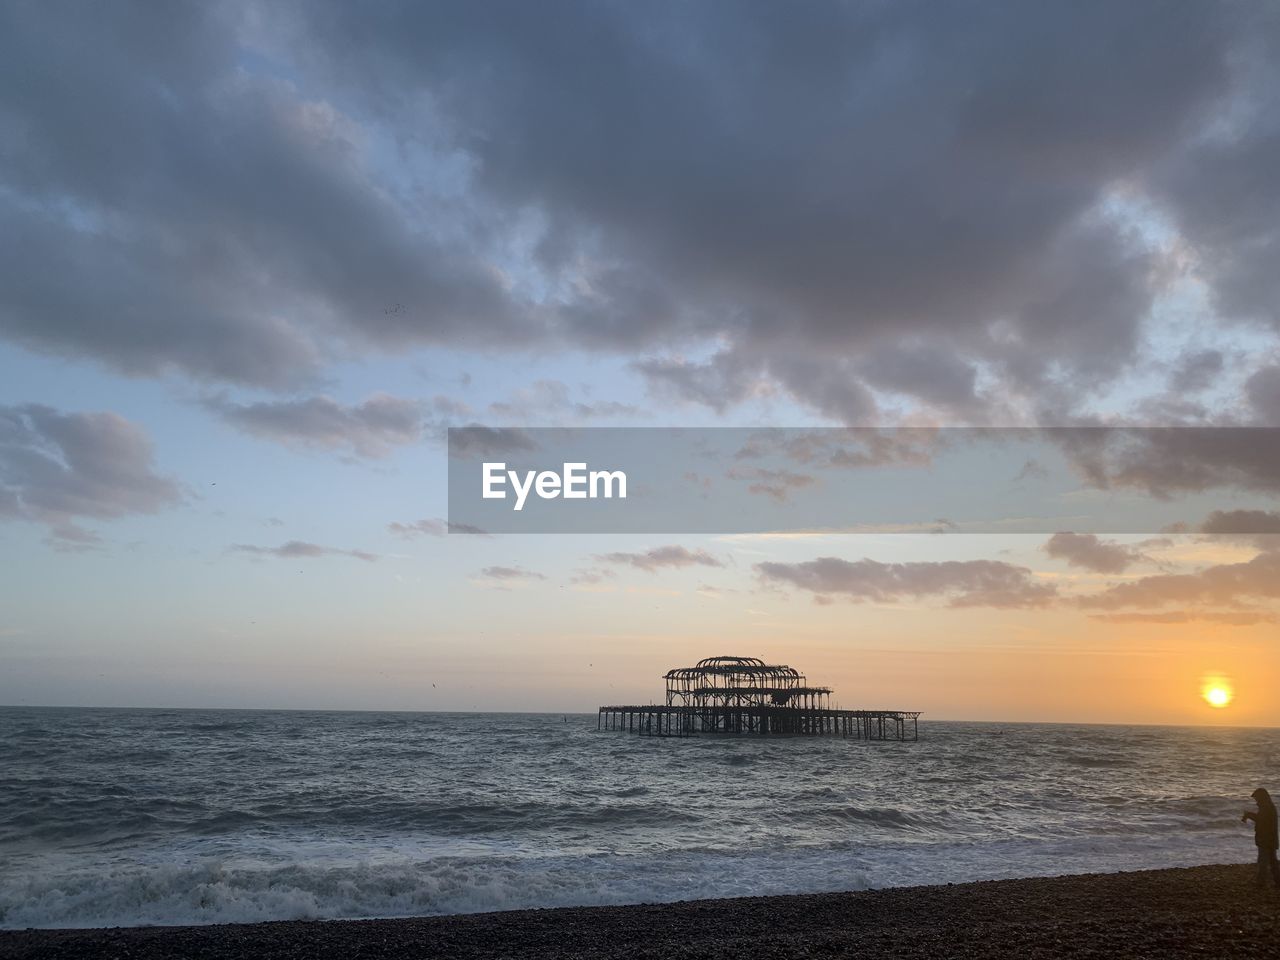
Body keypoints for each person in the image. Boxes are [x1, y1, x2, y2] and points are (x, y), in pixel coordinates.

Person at [1241, 787, 1280, 888]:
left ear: (1261, 797)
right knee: (1273, 861)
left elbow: (1260, 820)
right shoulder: (1268, 806)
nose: (1256, 801)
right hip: (1271, 839)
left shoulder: (1266, 807)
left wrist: (1248, 815)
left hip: (1265, 839)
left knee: (1263, 861)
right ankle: (1277, 881)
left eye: (1256, 798)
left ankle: (1261, 883)